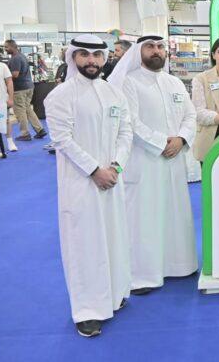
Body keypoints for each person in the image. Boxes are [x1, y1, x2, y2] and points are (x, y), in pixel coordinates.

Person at [43, 35, 133, 338]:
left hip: (113, 179)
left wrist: (116, 166)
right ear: (73, 58)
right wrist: (95, 171)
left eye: (96, 55)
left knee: (114, 238)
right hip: (81, 184)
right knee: (85, 245)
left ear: (105, 58)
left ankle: (115, 294)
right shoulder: (60, 95)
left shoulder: (113, 93)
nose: (91, 61)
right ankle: (88, 311)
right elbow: (62, 140)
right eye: (84, 54)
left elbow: (126, 132)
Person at [107, 35, 199, 294]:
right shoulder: (128, 82)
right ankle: (143, 275)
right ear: (139, 51)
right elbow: (130, 123)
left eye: (160, 47)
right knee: (144, 218)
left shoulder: (174, 82)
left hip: (174, 160)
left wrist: (181, 139)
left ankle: (179, 265)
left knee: (175, 213)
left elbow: (190, 115)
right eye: (150, 47)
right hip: (145, 161)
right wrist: (161, 143)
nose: (156, 51)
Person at [5, 39, 47, 141]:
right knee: (27, 109)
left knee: (20, 111)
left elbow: (15, 74)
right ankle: (40, 129)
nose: (5, 49)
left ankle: (25, 134)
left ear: (12, 46)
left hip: (20, 89)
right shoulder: (21, 56)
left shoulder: (15, 58)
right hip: (28, 87)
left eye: (6, 47)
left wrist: (4, 77)